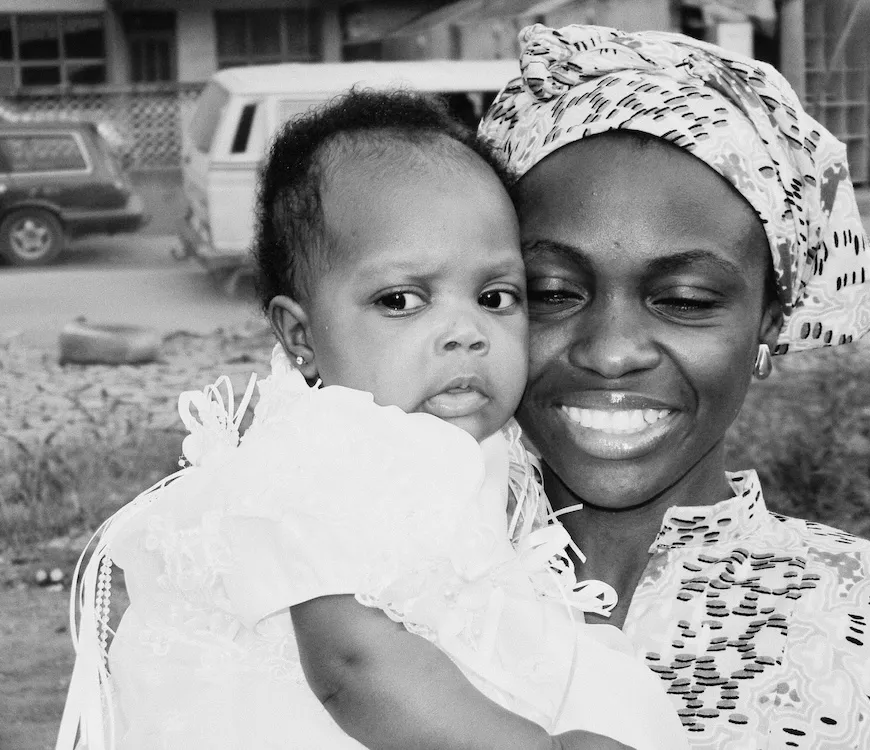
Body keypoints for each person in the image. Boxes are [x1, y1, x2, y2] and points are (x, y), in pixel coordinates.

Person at [56, 90, 687, 750]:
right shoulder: (328, 454)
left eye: (495, 296)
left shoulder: (464, 447)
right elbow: (351, 664)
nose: (466, 331)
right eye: (401, 301)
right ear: (301, 335)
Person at [477, 23, 870, 750]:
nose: (611, 352)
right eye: (551, 292)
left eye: (685, 299)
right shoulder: (377, 580)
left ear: (769, 323)